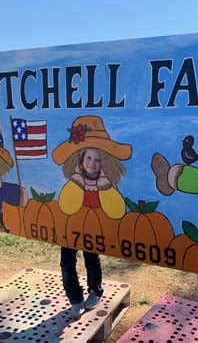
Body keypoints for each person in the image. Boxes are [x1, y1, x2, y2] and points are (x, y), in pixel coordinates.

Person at [52, 115, 132, 317]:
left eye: (98, 160)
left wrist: (105, 189)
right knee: (66, 262)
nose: (92, 164)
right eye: (88, 158)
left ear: (104, 162)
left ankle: (95, 290)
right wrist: (76, 183)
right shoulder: (74, 181)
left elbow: (116, 212)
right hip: (70, 228)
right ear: (80, 159)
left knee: (91, 258)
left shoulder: (106, 184)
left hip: (92, 230)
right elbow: (67, 207)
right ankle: (75, 298)